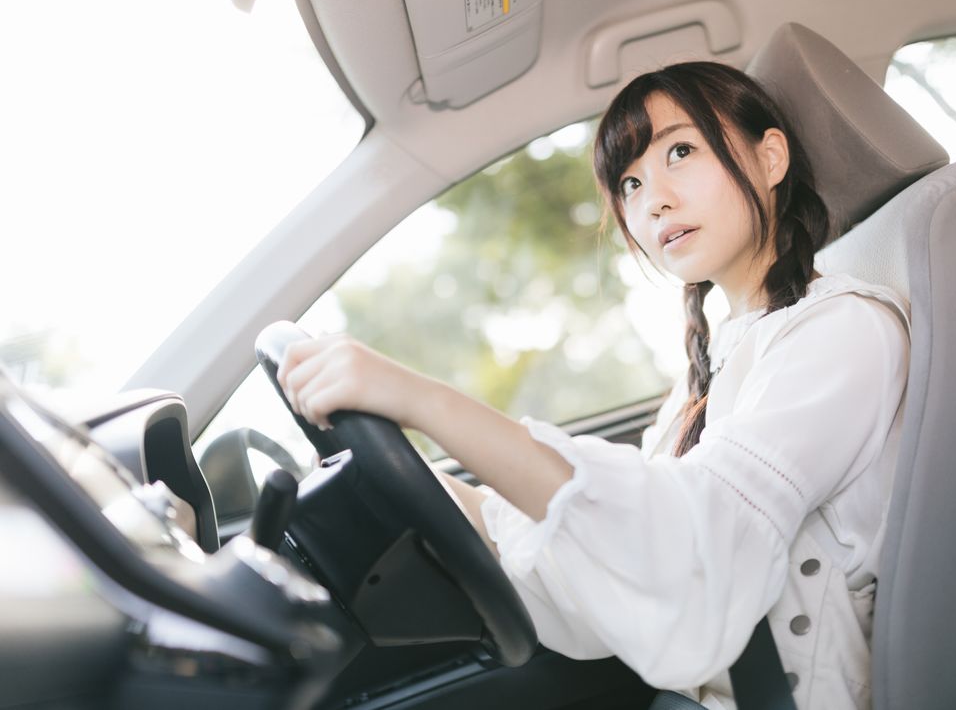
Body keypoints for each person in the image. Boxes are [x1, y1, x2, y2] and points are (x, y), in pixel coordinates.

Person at [277, 61, 910, 710]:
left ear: (770, 156)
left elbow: (695, 544)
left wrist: (424, 401)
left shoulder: (841, 329)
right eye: (630, 182)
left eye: (681, 151)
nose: (652, 199)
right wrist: (432, 488)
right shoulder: (714, 360)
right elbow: (614, 572)